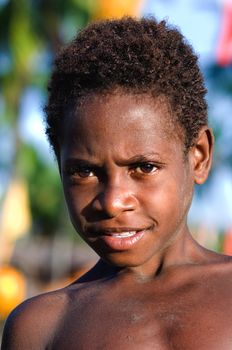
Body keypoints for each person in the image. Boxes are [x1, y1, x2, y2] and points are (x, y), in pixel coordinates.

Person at [2, 16, 232, 350]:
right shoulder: (42, 327)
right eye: (85, 171)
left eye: (144, 167)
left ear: (198, 156)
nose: (112, 201)